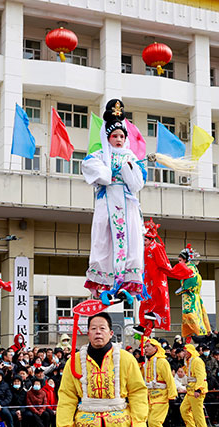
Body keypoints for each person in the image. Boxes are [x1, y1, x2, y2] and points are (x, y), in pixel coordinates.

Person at [81, 99, 146, 303]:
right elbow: (96, 173)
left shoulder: (131, 157)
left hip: (127, 206)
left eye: (121, 136)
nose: (118, 139)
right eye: (114, 136)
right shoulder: (98, 156)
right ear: (107, 137)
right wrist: (110, 171)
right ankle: (103, 287)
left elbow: (137, 184)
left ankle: (126, 285)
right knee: (103, 242)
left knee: (131, 243)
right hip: (107, 204)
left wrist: (127, 168)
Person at [136, 219, 194, 341]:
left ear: (151, 239)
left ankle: (155, 316)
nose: (143, 242)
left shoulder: (157, 248)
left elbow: (163, 264)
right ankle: (143, 325)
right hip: (146, 278)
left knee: (159, 294)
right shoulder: (143, 249)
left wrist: (170, 270)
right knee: (145, 299)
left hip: (157, 276)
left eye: (145, 239)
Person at [142, 338, 177, 427]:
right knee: (151, 424)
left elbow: (169, 380)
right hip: (150, 398)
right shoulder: (147, 363)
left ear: (155, 348)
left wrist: (172, 396)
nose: (145, 349)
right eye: (145, 346)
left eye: (148, 346)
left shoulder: (162, 362)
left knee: (154, 422)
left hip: (161, 398)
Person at [175, 245, 213, 340]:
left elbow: (191, 281)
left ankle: (193, 333)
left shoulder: (189, 269)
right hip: (194, 295)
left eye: (180, 260)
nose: (179, 262)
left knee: (189, 314)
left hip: (190, 295)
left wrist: (183, 288)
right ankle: (192, 333)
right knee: (196, 314)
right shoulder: (193, 268)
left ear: (185, 259)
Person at [179, 344, 209, 427]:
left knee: (197, 413)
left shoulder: (197, 361)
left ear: (189, 352)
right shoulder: (188, 361)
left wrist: (198, 389)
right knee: (183, 409)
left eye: (185, 351)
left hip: (196, 390)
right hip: (190, 390)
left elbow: (201, 376)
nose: (183, 354)